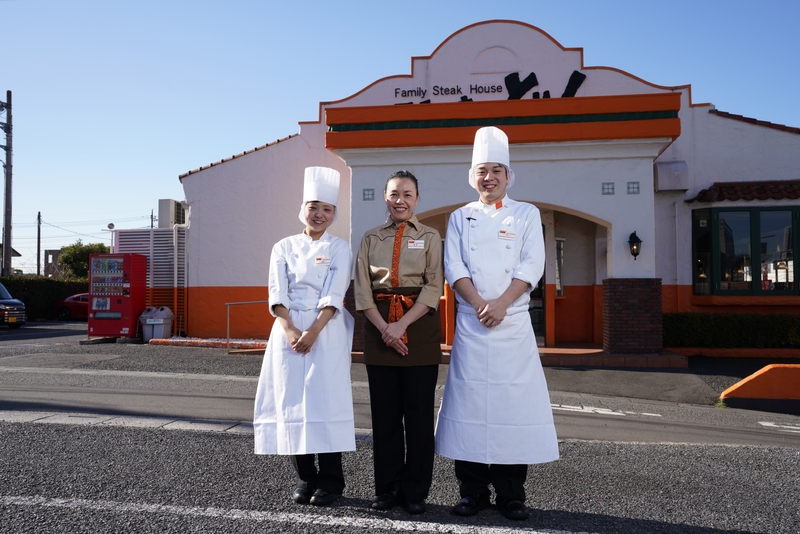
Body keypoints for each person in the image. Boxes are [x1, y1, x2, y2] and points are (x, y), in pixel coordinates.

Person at [435, 127, 559, 521]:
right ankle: (471, 492)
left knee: (511, 409)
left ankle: (511, 494)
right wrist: (477, 304)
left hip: (512, 325)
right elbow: (453, 266)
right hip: (472, 326)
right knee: (469, 406)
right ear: (471, 177)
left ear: (508, 176)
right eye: (481, 171)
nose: (488, 177)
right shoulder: (459, 217)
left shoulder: (526, 213)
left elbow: (531, 266)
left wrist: (502, 305)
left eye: (495, 171)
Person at [253, 166, 355, 507]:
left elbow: (334, 292)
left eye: (327, 209)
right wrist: (291, 329)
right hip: (287, 331)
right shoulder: (283, 246)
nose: (320, 214)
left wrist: (312, 331)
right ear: (303, 209)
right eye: (314, 207)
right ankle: (305, 477)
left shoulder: (339, 247)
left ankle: (331, 480)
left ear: (334, 214)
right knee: (292, 400)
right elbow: (276, 293)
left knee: (324, 401)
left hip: (326, 330)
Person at [354, 170, 444, 515]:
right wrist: (385, 328)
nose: (400, 200)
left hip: (418, 326)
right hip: (378, 327)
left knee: (420, 417)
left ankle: (416, 491)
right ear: (385, 198)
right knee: (385, 417)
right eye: (394, 194)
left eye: (407, 194)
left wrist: (402, 324)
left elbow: (434, 286)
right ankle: (387, 489)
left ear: (417, 199)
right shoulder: (370, 238)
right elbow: (363, 290)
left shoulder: (432, 236)